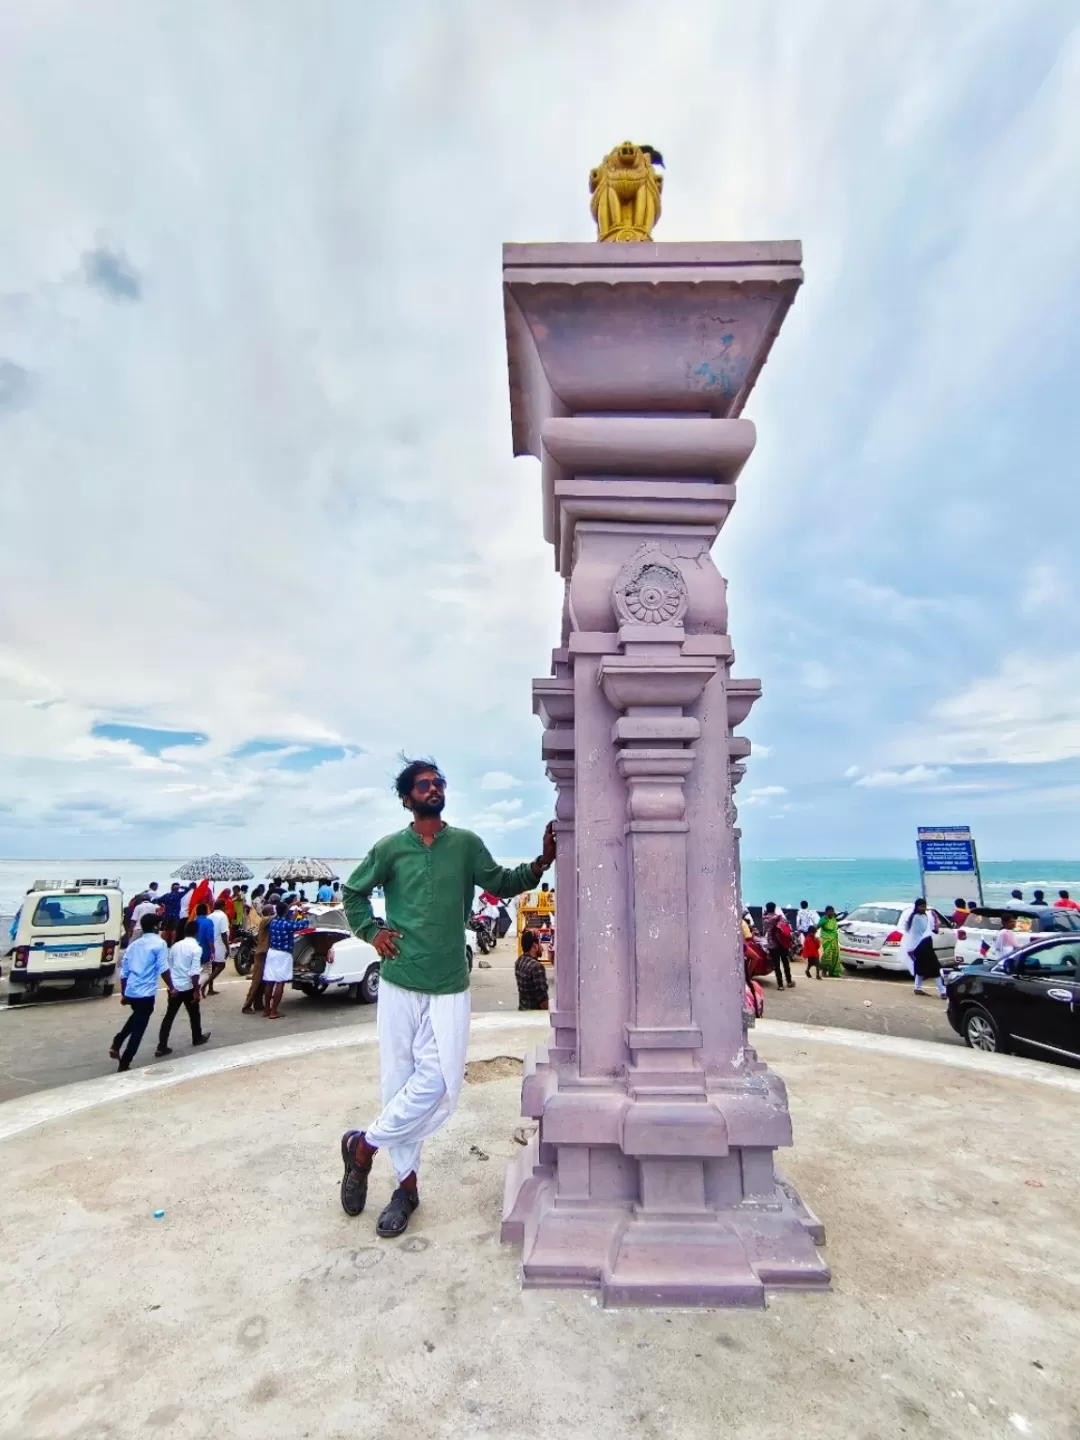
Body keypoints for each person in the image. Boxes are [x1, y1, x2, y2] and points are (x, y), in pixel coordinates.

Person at [339, 757, 555, 1238]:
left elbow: (500, 882)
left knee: (440, 1084)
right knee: (398, 1085)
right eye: (424, 784)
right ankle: (406, 1188)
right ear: (406, 798)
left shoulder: (465, 845)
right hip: (398, 981)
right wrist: (372, 933)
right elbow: (352, 893)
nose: (434, 788)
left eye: (438, 783)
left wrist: (542, 862)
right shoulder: (390, 848)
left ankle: (362, 1147)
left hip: (449, 984)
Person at [109, 914, 169, 1071]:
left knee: (136, 1017)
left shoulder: (134, 945)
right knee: (139, 1029)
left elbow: (124, 971)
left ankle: (118, 1041)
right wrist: (172, 986)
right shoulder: (159, 944)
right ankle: (125, 1062)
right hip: (146, 993)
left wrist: (124, 993)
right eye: (160, 924)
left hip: (132, 991)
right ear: (156, 926)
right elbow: (163, 968)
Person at [155, 920, 211, 1056]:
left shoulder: (175, 946)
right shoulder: (196, 948)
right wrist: (197, 991)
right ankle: (197, 1037)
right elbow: (194, 972)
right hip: (188, 986)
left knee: (169, 1016)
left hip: (175, 986)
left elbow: (170, 966)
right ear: (196, 933)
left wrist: (171, 986)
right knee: (194, 1013)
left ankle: (162, 1045)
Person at [263, 900, 306, 1019]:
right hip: (283, 954)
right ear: (286, 911)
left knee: (270, 981)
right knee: (280, 982)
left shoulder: (273, 922)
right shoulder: (287, 924)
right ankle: (274, 1011)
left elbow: (288, 921)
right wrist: (304, 915)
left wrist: (294, 910)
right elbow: (301, 925)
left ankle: (267, 1009)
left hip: (272, 953)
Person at [902, 898, 945, 997]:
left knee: (920, 968)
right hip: (922, 946)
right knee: (934, 968)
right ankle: (942, 991)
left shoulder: (922, 916)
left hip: (923, 946)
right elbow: (927, 931)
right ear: (917, 907)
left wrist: (934, 920)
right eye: (921, 906)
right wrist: (935, 919)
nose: (924, 908)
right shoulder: (917, 918)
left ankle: (917, 988)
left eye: (925, 906)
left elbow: (932, 930)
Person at [241, 898, 275, 1014]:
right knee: (256, 981)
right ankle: (246, 1005)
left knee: (262, 981)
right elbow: (277, 917)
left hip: (263, 953)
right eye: (272, 910)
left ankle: (258, 1004)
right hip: (261, 954)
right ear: (269, 912)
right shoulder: (265, 920)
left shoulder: (265, 921)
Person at [762, 902, 794, 990]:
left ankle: (780, 985)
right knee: (785, 963)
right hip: (782, 943)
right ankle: (789, 981)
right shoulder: (780, 918)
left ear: (767, 908)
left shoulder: (765, 919)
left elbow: (764, 931)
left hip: (772, 944)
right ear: (774, 908)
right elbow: (787, 930)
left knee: (776, 965)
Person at [515, 929, 549, 1010]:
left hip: (523, 1012)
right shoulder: (536, 967)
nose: (542, 948)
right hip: (535, 1016)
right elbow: (543, 1000)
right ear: (535, 946)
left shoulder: (519, 961)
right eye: (540, 944)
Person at [204, 899, 231, 997]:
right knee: (221, 965)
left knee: (213, 966)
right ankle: (205, 985)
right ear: (223, 906)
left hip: (210, 943)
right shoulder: (223, 916)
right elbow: (224, 933)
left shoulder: (210, 916)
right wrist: (227, 947)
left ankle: (210, 989)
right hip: (219, 943)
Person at [192, 903, 216, 994]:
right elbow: (209, 937)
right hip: (204, 949)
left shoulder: (193, 922)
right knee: (207, 971)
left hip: (193, 948)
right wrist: (213, 951)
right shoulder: (208, 922)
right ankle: (197, 988)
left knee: (195, 971)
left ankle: (195, 988)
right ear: (206, 911)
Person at [818, 906, 842, 976]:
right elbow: (817, 927)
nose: (831, 913)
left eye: (832, 911)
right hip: (826, 940)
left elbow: (836, 926)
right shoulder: (823, 919)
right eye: (830, 912)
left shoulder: (834, 919)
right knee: (827, 955)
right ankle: (824, 970)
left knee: (835, 956)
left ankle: (833, 972)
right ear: (826, 912)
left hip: (834, 939)